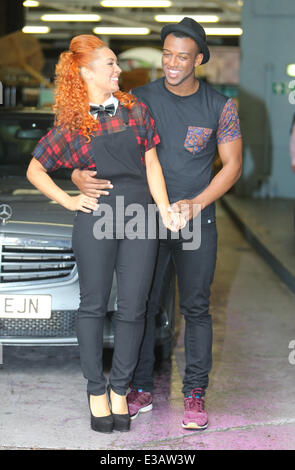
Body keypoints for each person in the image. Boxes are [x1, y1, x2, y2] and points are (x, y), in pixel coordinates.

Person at [71, 18, 243, 431]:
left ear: (199, 58)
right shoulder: (135, 100)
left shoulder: (221, 106)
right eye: (167, 54)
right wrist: (78, 174)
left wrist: (195, 203)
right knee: (140, 306)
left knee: (196, 307)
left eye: (182, 56)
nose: (172, 63)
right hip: (141, 218)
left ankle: (195, 393)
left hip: (195, 220)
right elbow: (95, 141)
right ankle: (140, 386)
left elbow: (232, 167)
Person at [26, 34, 184, 434]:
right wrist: (67, 199)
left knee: (133, 307)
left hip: (140, 218)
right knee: (93, 306)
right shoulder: (71, 123)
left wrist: (164, 209)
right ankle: (96, 390)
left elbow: (151, 165)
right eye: (111, 64)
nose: (118, 70)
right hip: (95, 219)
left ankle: (119, 389)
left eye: (116, 63)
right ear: (85, 72)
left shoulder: (135, 110)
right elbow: (35, 169)